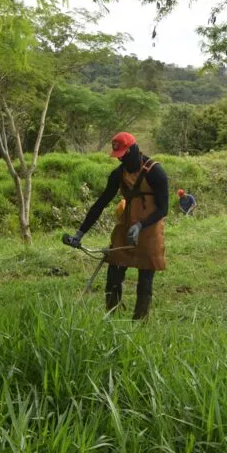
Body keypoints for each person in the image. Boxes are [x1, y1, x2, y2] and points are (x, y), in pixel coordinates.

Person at [67, 132, 168, 320]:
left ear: (133, 150)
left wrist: (141, 225)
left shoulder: (155, 172)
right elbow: (100, 204)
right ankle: (112, 317)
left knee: (145, 278)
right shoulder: (118, 174)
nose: (121, 158)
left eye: (123, 154)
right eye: (118, 155)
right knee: (114, 271)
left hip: (149, 229)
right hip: (126, 226)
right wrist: (79, 233)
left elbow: (163, 209)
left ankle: (140, 322)